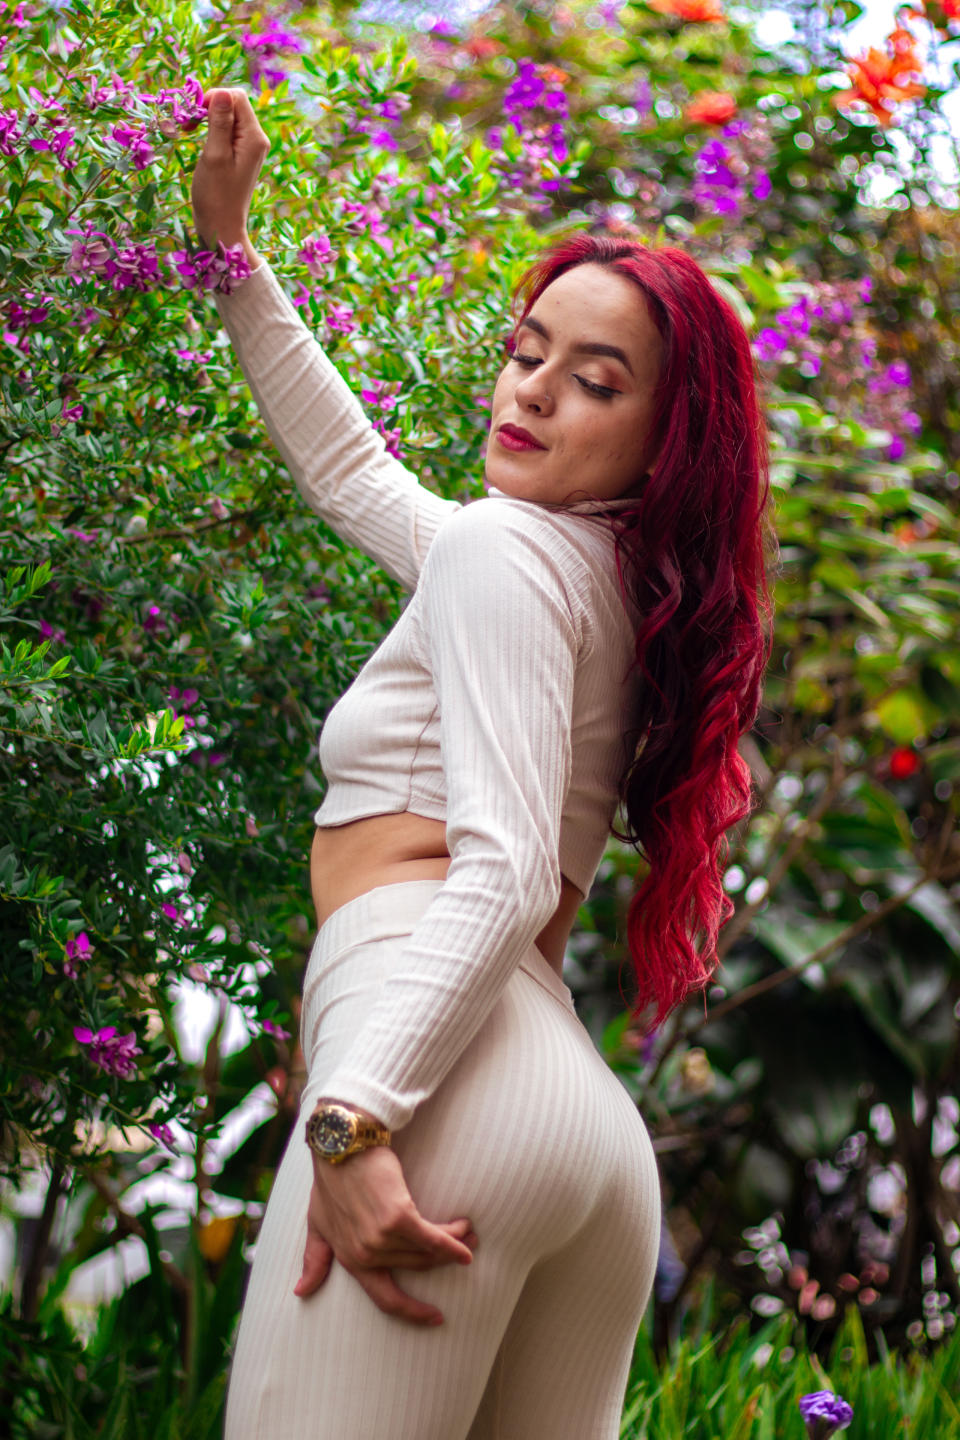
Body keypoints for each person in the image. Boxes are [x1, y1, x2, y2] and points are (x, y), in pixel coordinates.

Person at [189, 86, 770, 1440]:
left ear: (665, 438)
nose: (534, 390)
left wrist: (353, 1114)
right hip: (577, 1126)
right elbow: (353, 474)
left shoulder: (507, 556)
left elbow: (501, 871)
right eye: (526, 353)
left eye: (596, 381)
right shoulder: (593, 578)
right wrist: (232, 256)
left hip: (434, 1066)